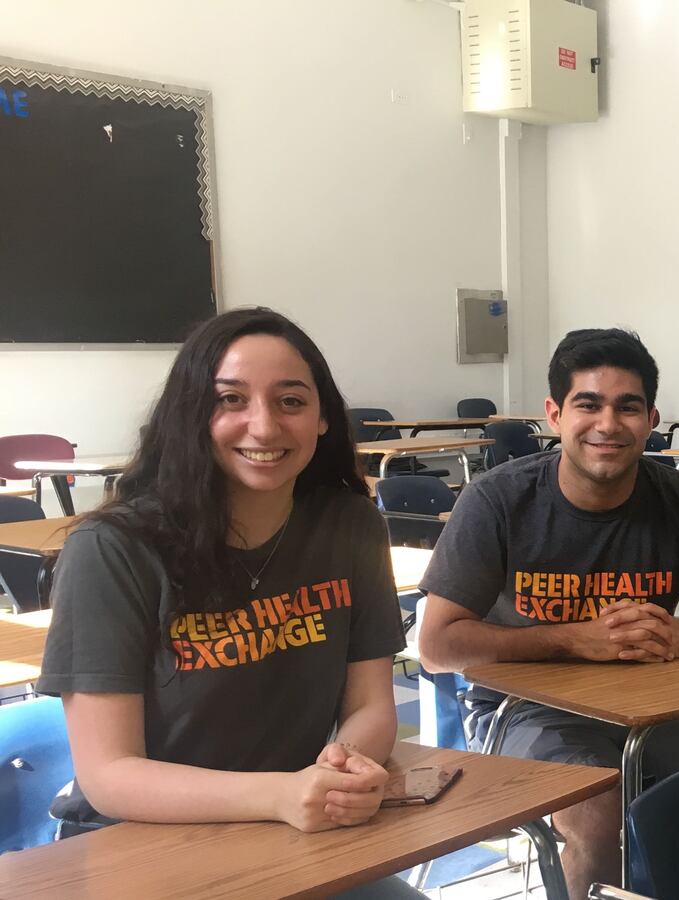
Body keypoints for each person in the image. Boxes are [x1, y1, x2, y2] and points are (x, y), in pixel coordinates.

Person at [418, 328, 679, 896]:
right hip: (525, 709)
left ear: (651, 421)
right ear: (554, 415)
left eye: (627, 407)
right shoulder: (497, 500)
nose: (608, 424)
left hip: (653, 702)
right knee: (599, 818)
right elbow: (437, 646)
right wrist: (574, 639)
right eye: (588, 404)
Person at [36, 308, 416, 896]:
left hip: (300, 832)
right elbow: (109, 775)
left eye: (290, 401)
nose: (263, 428)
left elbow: (372, 707)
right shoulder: (113, 549)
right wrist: (281, 795)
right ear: (191, 416)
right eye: (230, 400)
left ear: (322, 420)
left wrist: (338, 770)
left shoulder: (351, 526)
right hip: (139, 844)